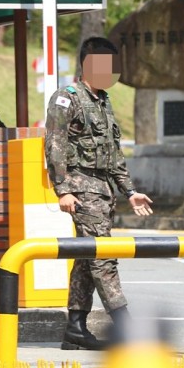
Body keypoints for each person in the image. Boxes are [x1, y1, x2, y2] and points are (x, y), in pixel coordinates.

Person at [44, 36, 154, 350]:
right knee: (103, 257)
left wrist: (130, 191)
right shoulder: (67, 98)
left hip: (103, 191)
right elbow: (55, 145)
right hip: (81, 189)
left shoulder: (102, 101)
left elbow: (114, 153)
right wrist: (62, 190)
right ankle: (127, 328)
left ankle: (75, 328)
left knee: (86, 258)